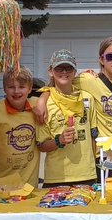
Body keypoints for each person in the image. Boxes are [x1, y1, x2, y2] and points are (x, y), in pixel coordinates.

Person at [34, 37, 112, 141]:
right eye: (110, 57)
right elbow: (61, 82)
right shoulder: (89, 80)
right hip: (105, 148)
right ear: (101, 59)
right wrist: (42, 99)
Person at [39, 50, 97, 187]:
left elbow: (94, 136)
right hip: (57, 178)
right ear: (50, 71)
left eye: (69, 68)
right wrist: (60, 140)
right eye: (59, 68)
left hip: (87, 175)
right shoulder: (44, 104)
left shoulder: (87, 98)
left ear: (75, 71)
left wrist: (94, 166)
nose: (64, 72)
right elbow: (41, 145)